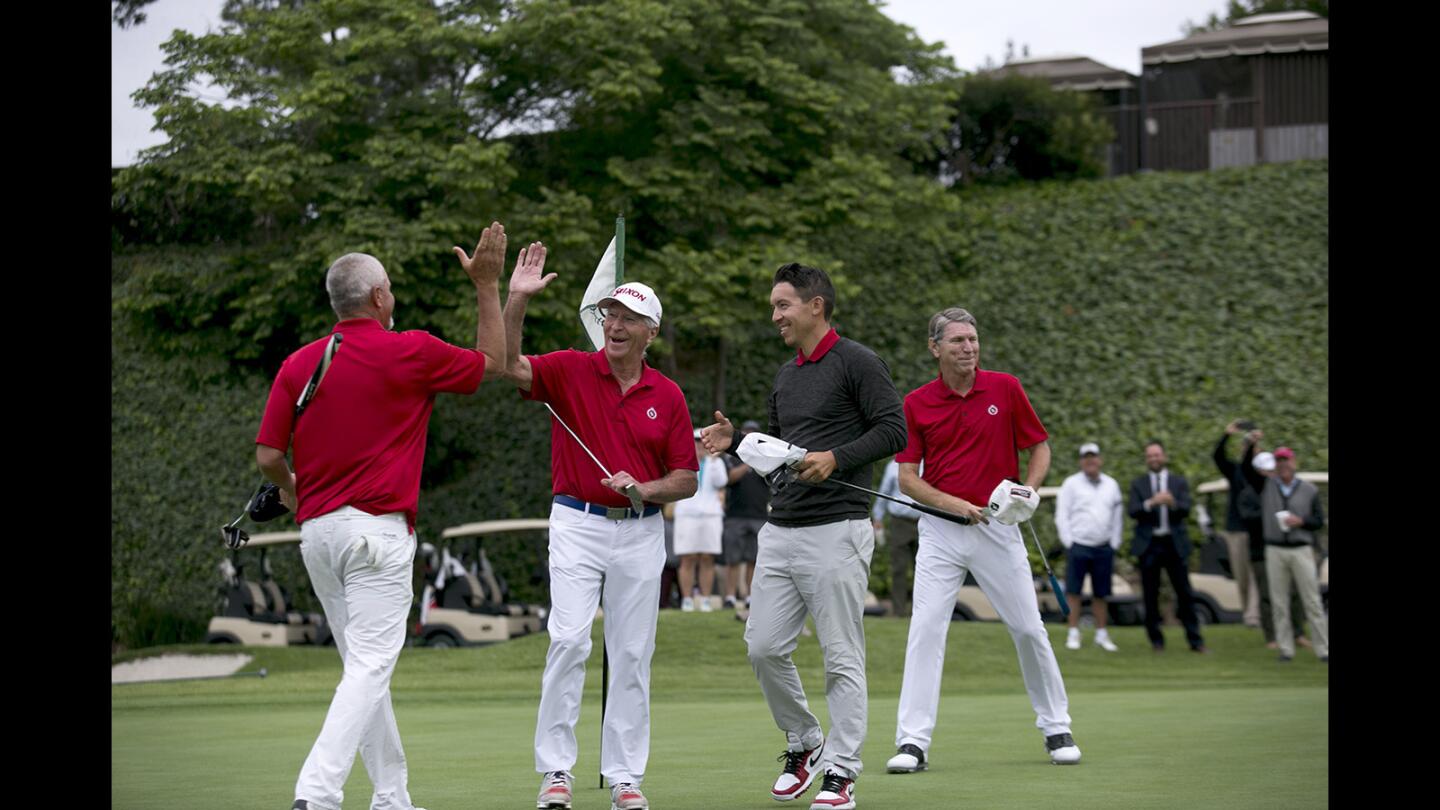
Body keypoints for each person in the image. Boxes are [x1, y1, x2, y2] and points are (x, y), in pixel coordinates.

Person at [257, 222, 519, 810]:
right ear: (378, 298)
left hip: (318, 535)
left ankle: (392, 796)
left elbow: (269, 456)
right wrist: (486, 286)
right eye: (391, 290)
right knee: (370, 667)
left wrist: (294, 492)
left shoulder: (301, 362)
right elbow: (494, 363)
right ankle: (317, 793)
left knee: (361, 668)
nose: (393, 298)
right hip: (375, 533)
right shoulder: (411, 349)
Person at [701, 262, 906, 810]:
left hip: (837, 529)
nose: (775, 316)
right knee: (763, 647)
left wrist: (838, 457)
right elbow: (782, 449)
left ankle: (841, 772)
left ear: (816, 305)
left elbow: (894, 428)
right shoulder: (786, 374)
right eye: (774, 306)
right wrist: (739, 439)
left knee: (842, 657)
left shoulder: (858, 362)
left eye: (783, 305)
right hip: (781, 527)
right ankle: (806, 740)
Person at [501, 262, 699, 810]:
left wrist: (646, 486)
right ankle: (556, 771)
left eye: (630, 316)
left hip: (640, 531)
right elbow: (508, 365)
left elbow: (686, 477)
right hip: (576, 522)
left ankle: (625, 776)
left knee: (632, 653)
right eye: (611, 312)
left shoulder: (669, 394)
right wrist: (516, 299)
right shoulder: (568, 369)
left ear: (649, 332)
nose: (616, 322)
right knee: (568, 640)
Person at [882, 306, 1080, 777]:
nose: (968, 347)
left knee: (1030, 628)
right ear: (936, 348)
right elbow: (907, 479)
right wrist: (951, 504)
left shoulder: (1006, 388)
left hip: (998, 528)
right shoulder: (916, 403)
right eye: (957, 341)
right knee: (925, 631)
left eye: (972, 339)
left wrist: (1029, 490)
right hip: (941, 530)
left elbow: (1040, 446)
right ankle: (912, 741)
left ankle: (1057, 727)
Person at [1214, 425, 1306, 648]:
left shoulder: (1278, 483)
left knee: (1286, 589)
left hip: (1279, 542)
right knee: (1252, 581)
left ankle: (1294, 632)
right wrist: (1234, 437)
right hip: (1246, 535)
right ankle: (1256, 620)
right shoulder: (1242, 473)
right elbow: (1231, 461)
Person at [1242, 445, 1328, 663]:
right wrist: (1250, 445)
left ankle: (1323, 648)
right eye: (1279, 461)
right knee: (1279, 602)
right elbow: (1246, 469)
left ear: (1294, 462)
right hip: (1275, 549)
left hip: (1301, 548)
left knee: (1312, 600)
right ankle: (1286, 649)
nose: (1283, 465)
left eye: (1286, 460)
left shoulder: (1308, 489)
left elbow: (1318, 520)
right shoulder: (1267, 486)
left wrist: (1301, 522)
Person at [1128, 441, 1207, 653]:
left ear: (1164, 457)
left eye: (1157, 455)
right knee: (1150, 594)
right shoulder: (1139, 484)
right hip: (1150, 544)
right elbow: (1133, 510)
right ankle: (1156, 641)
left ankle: (1195, 640)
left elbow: (1186, 509)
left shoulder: (1178, 482)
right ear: (1147, 459)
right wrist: (1151, 503)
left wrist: (1172, 503)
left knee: (1185, 593)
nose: (1154, 459)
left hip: (1174, 543)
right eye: (1150, 456)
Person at [1055, 443, 1123, 652]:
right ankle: (1073, 632)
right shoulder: (1071, 484)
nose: (1090, 461)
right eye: (1086, 457)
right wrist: (1069, 542)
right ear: (1081, 461)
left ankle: (1101, 634)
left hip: (1103, 547)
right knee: (1074, 592)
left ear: (1099, 460)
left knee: (1101, 593)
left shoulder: (1111, 484)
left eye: (1093, 457)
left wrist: (1114, 543)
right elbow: (1062, 515)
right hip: (1079, 545)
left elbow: (1117, 516)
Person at [674, 429, 728, 612]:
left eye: (702, 442)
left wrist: (712, 460)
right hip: (687, 514)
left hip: (711, 515)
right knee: (687, 558)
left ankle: (705, 599)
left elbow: (721, 481)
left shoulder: (716, 462)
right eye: (696, 442)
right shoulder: (682, 462)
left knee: (707, 557)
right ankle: (687, 599)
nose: (699, 446)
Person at [720, 419, 769, 610]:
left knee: (754, 559)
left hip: (759, 515)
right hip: (735, 515)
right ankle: (731, 596)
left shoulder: (766, 459)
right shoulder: (733, 457)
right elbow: (729, 478)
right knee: (733, 559)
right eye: (746, 433)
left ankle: (750, 596)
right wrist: (748, 463)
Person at [871, 458, 921, 618]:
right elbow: (884, 492)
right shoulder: (893, 466)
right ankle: (898, 611)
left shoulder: (930, 463)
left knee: (924, 569)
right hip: (900, 522)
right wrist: (878, 518)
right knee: (899, 567)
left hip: (925, 522)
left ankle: (919, 611)